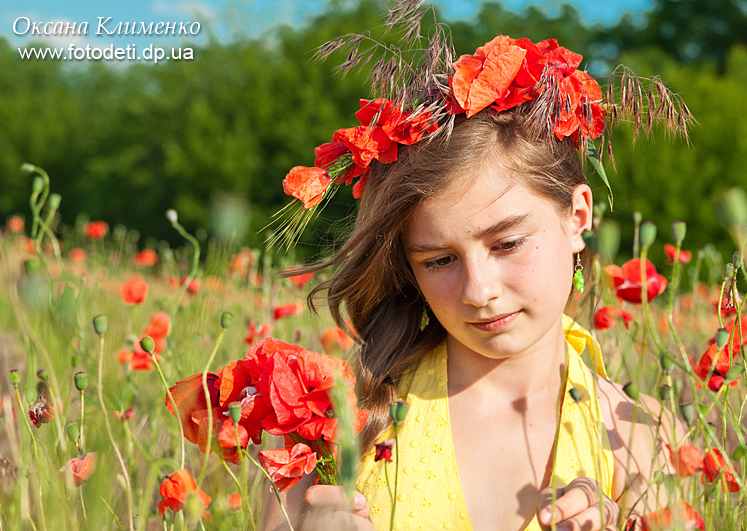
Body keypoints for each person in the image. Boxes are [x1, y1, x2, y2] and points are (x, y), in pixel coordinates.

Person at [263, 15, 690, 531]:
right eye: (439, 260)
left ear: (577, 217)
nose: (479, 291)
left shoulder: (639, 434)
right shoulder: (331, 427)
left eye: (507, 243)